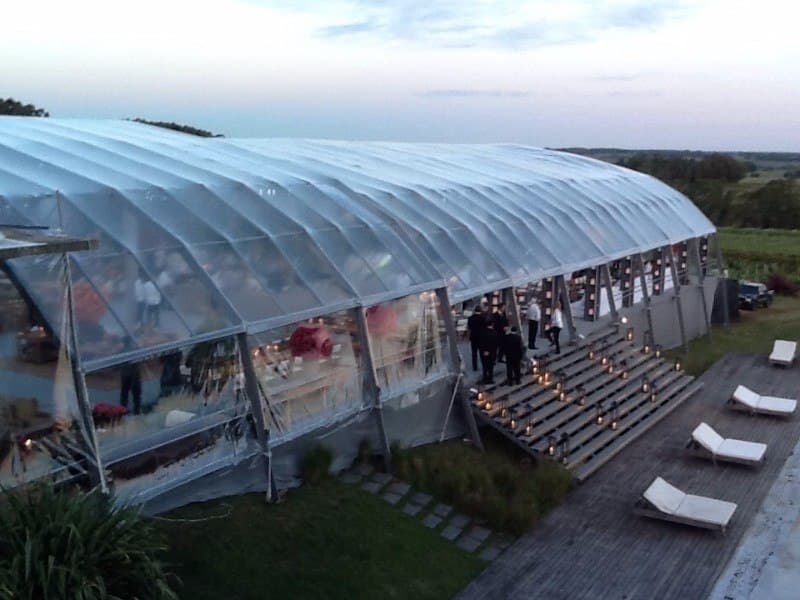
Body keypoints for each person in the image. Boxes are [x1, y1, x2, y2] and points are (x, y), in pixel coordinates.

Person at [466, 305, 486, 372]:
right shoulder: (483, 318)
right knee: (481, 353)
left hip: (473, 337)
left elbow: (469, 328)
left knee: (474, 353)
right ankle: (483, 365)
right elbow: (484, 328)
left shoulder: (470, 318)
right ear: (480, 311)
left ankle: (475, 367)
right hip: (481, 338)